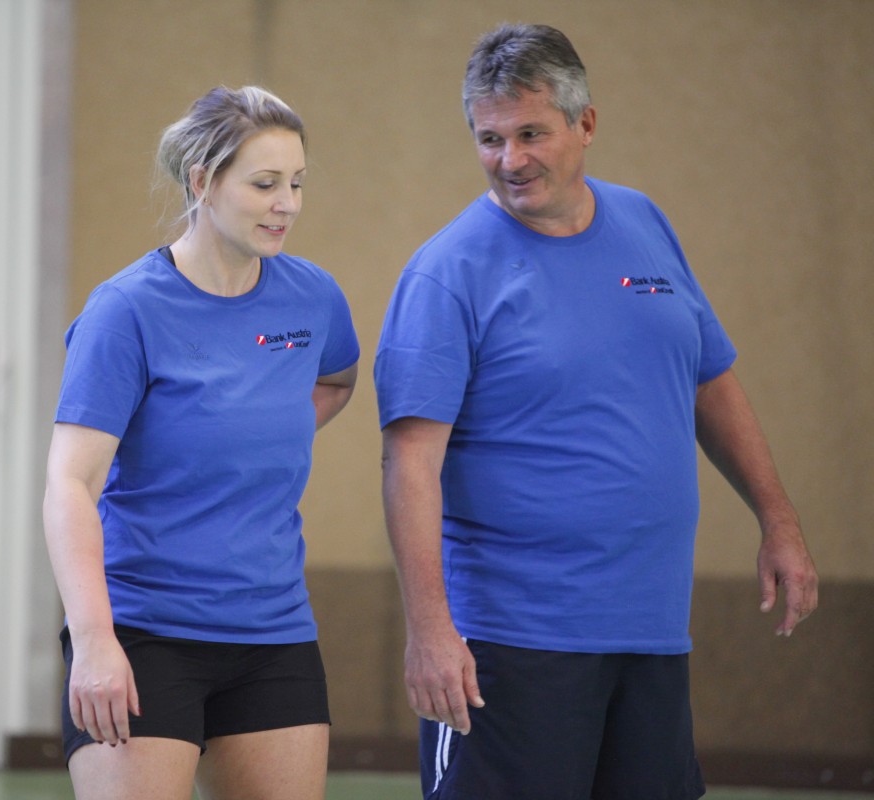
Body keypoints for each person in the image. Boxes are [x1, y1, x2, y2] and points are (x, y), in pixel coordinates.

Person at [374, 23, 818, 800]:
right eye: (489, 139)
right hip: (509, 642)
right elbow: (410, 460)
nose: (510, 160)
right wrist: (431, 632)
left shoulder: (643, 222)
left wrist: (778, 521)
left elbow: (710, 379)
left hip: (651, 629)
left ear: (585, 123)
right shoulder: (447, 273)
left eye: (531, 134)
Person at [42, 85, 359, 800]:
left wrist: (246, 440)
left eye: (297, 183)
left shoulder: (313, 298)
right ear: (202, 181)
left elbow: (336, 380)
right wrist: (93, 641)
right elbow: (70, 484)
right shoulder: (125, 311)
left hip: (273, 631)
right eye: (265, 184)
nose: (287, 204)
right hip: (143, 633)